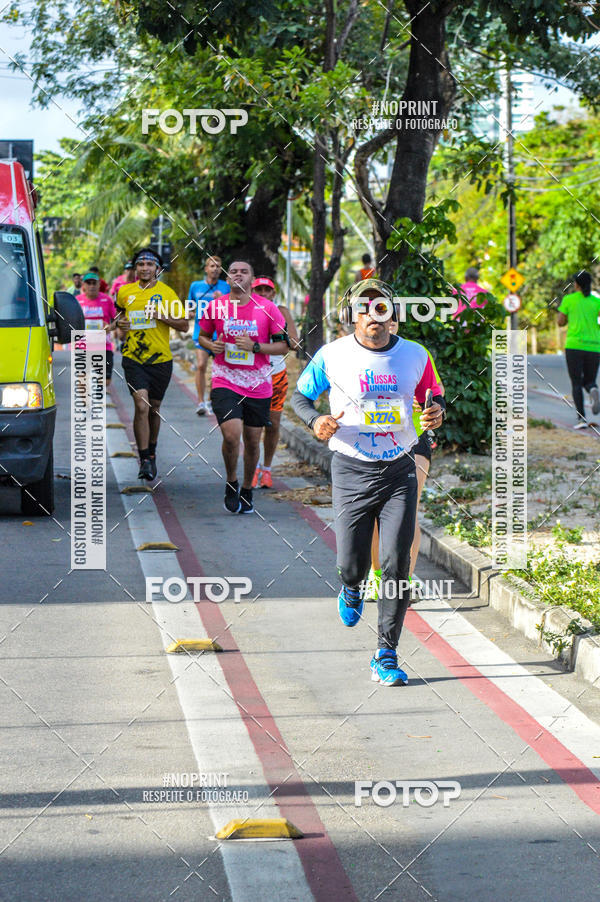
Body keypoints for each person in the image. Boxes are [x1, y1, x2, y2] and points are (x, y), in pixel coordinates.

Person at [292, 279, 445, 686]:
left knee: (396, 564)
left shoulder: (415, 354)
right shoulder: (332, 355)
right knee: (352, 564)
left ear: (393, 315)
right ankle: (351, 587)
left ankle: (386, 653)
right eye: (364, 307)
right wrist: (315, 420)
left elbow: (435, 397)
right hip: (351, 468)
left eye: (381, 307)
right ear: (351, 315)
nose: (373, 315)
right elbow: (300, 398)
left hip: (399, 468)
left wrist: (435, 414)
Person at [364, 310, 445, 601]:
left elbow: (437, 395)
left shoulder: (414, 355)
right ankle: (377, 577)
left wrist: (432, 407)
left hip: (414, 441)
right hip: (371, 443)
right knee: (375, 514)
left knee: (409, 509)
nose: (388, 325)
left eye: (393, 320)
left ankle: (404, 580)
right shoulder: (358, 356)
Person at [197, 261, 288, 514]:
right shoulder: (216, 306)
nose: (238, 274)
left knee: (252, 441)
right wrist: (211, 345)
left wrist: (256, 347)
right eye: (234, 272)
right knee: (231, 435)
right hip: (225, 379)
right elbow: (202, 336)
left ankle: (247, 488)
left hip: (258, 383)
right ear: (227, 279)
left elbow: (284, 345)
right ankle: (231, 482)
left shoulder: (268, 309)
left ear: (252, 278)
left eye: (244, 271)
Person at [115, 247, 189, 480]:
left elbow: (184, 325)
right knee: (141, 405)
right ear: (135, 268)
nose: (144, 268)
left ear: (157, 268)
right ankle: (144, 458)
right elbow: (119, 318)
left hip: (160, 360)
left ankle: (152, 451)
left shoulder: (167, 294)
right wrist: (120, 325)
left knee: (154, 408)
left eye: (149, 264)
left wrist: (160, 315)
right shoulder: (124, 292)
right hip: (133, 358)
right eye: (140, 264)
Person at [250, 276, 300, 488]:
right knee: (252, 427)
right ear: (252, 292)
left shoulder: (281, 311)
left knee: (273, 424)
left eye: (266, 290)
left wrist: (280, 330)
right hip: (251, 376)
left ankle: (267, 469)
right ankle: (253, 468)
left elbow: (295, 343)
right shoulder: (244, 310)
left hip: (276, 374)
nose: (262, 294)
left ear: (273, 293)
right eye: (258, 290)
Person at [557, 270, 600, 429]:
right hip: (594, 346)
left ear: (576, 285)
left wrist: (569, 318)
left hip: (574, 345)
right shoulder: (596, 301)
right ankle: (593, 389)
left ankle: (582, 419)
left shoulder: (569, 300)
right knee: (589, 380)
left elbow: (560, 322)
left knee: (576, 382)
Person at [189, 255, 229, 415]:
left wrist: (223, 300)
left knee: (218, 369)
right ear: (206, 269)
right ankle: (200, 402)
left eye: (218, 266)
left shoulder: (226, 287)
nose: (215, 269)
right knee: (201, 365)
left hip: (220, 334)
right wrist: (190, 313)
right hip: (201, 332)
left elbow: (233, 309)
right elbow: (190, 305)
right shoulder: (195, 286)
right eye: (212, 266)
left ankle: (211, 400)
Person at [76, 272, 118, 385]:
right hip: (83, 346)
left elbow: (117, 320)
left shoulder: (107, 300)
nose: (91, 286)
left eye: (94, 283)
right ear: (83, 285)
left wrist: (109, 327)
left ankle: (100, 394)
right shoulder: (77, 301)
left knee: (105, 382)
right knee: (82, 383)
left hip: (104, 346)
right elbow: (70, 322)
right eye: (88, 283)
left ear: (99, 285)